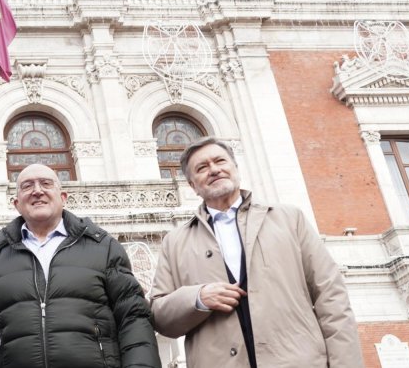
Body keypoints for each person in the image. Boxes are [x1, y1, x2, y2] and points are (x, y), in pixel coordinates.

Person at [150, 138, 363, 367]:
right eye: (202, 168)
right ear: (192, 185)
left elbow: (332, 298)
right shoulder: (174, 242)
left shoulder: (290, 219)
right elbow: (159, 317)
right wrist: (198, 299)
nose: (214, 169)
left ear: (235, 168)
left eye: (220, 161)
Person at [0, 164, 160, 368]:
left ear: (63, 197)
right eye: (27, 186)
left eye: (46, 183)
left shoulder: (103, 248)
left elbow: (133, 317)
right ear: (16, 204)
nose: (37, 190)